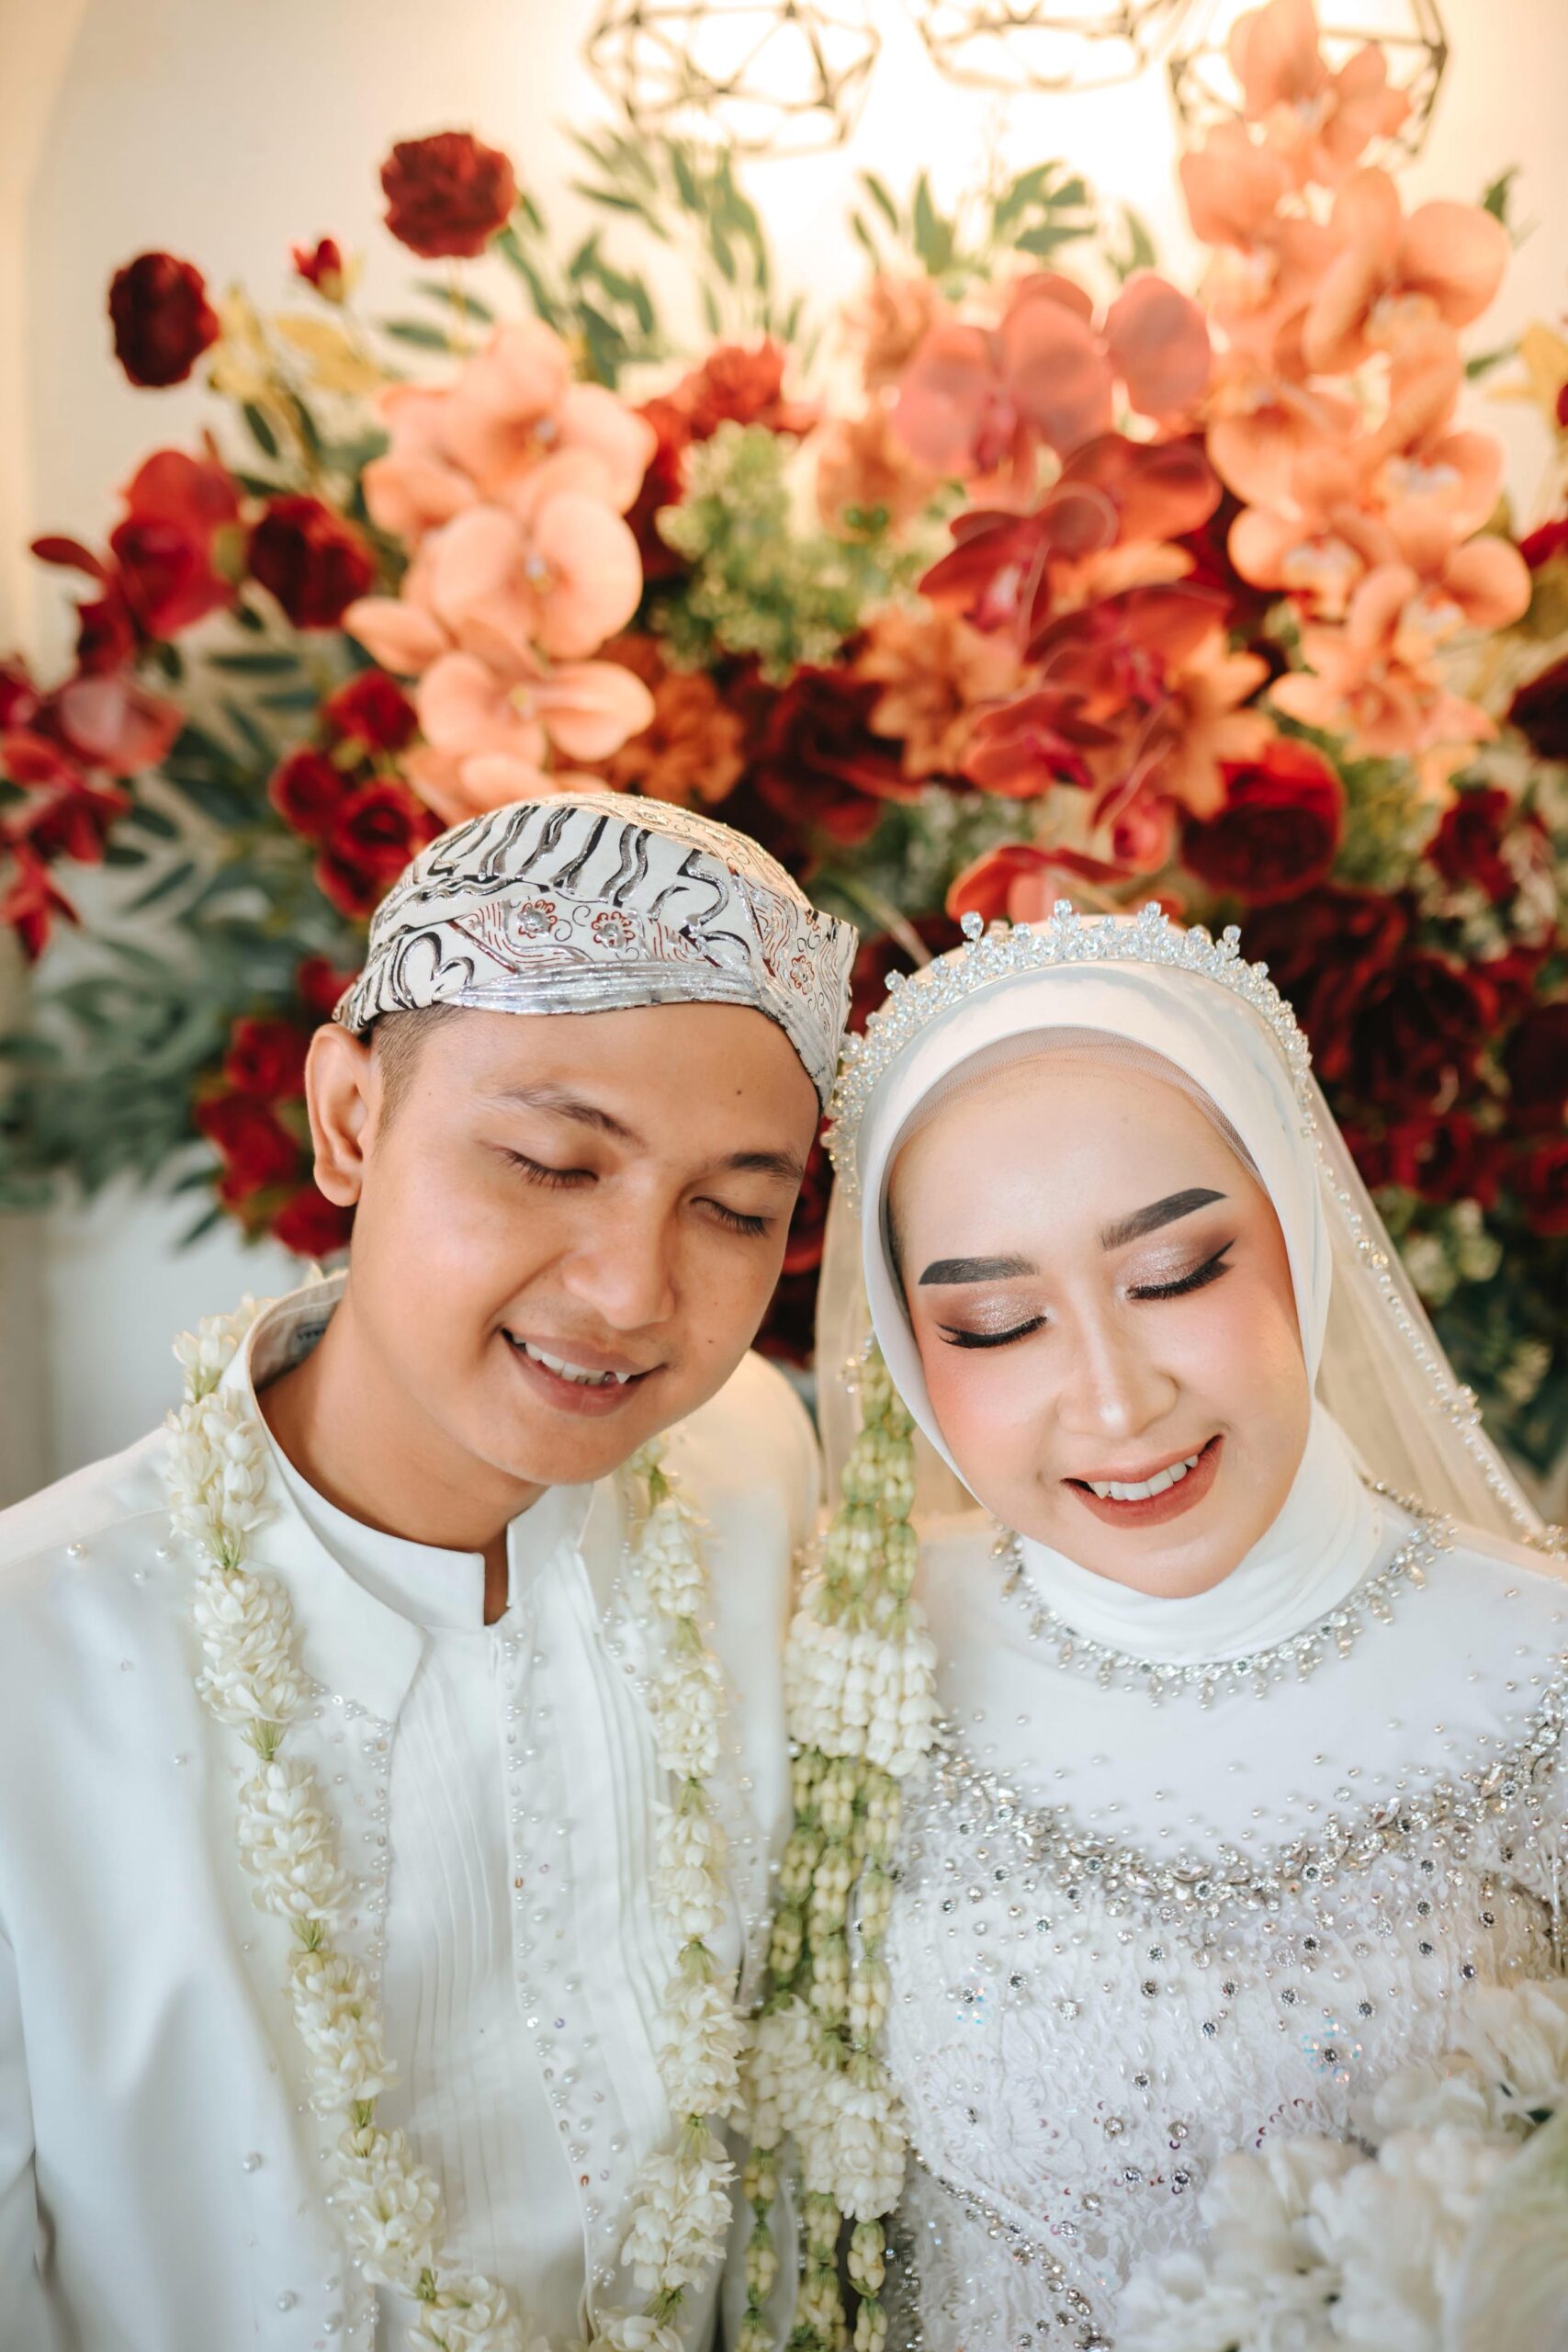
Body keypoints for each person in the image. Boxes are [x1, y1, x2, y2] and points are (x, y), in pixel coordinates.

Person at [0, 793, 857, 2352]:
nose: (632, 1291)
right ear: (350, 1121)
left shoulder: (750, 1464)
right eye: (549, 1162)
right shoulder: (34, 1663)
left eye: (736, 1210)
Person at [798, 901, 1565, 2351]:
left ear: (1300, 1232)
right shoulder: (846, 1661)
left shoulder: (1542, 1675)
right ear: (905, 1343)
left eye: (1176, 1275)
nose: (1113, 1399)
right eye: (995, 1326)